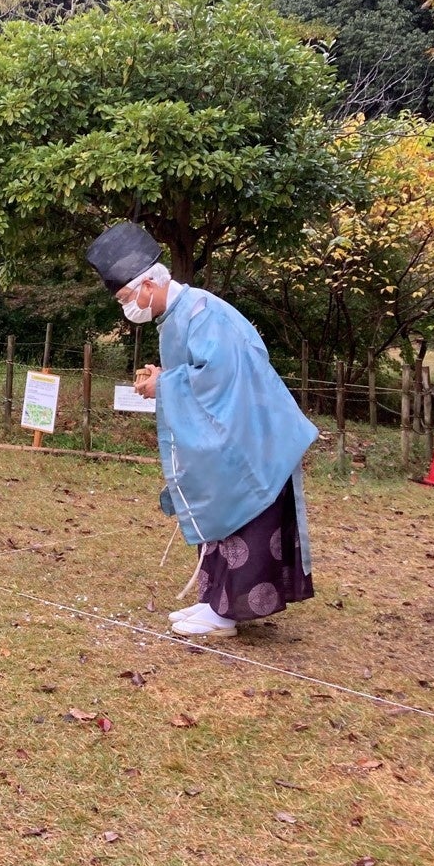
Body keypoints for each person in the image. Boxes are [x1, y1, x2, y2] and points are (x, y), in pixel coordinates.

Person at [86, 221, 317, 638]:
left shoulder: (204, 312)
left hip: (250, 439)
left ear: (149, 285)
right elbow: (195, 371)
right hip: (229, 435)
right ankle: (214, 602)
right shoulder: (177, 315)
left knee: (238, 515)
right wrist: (164, 376)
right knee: (215, 507)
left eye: (125, 297)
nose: (126, 307)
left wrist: (165, 384)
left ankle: (226, 613)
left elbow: (222, 378)